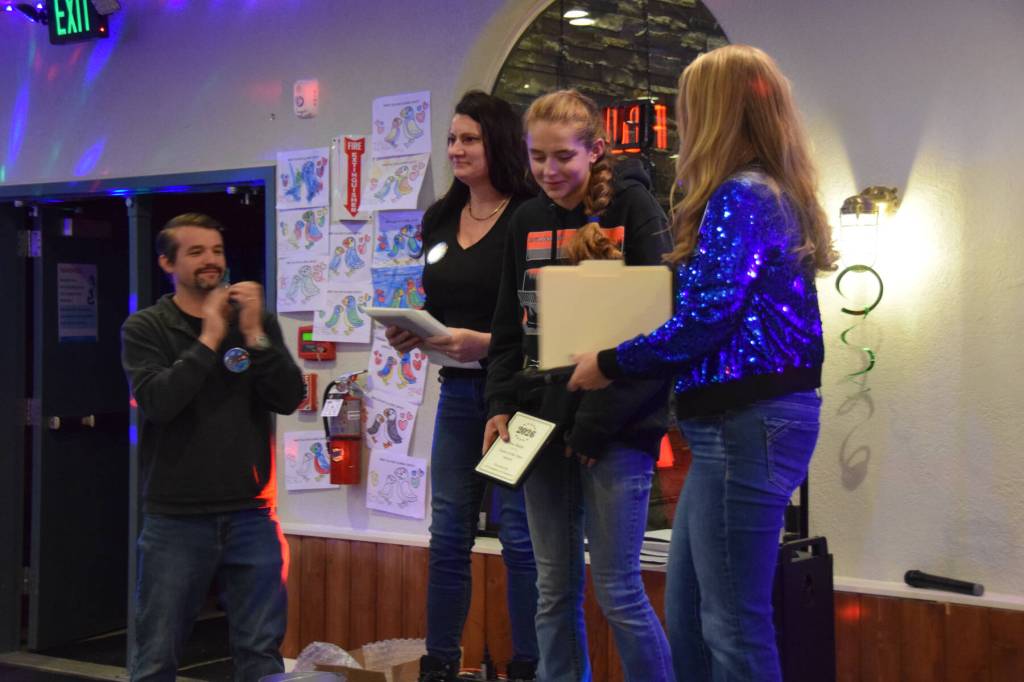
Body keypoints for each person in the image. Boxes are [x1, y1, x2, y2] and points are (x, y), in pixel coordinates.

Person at [568, 45, 838, 682]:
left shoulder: (741, 194)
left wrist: (609, 361)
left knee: (732, 623)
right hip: (742, 425)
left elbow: (705, 319)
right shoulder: (766, 190)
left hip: (748, 423)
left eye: (688, 109)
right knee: (690, 614)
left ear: (716, 113)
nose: (681, 124)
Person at [483, 89, 674, 682]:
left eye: (562, 156)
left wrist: (596, 423)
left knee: (618, 591)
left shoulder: (633, 210)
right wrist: (498, 405)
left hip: (616, 430)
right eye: (537, 157)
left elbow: (659, 336)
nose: (548, 171)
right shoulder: (526, 219)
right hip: (540, 424)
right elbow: (507, 330)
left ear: (595, 150)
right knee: (553, 589)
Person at [384, 91, 539, 682]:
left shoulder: (529, 214)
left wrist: (487, 342)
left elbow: (541, 317)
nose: (456, 149)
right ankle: (441, 664)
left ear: (497, 142)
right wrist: (413, 331)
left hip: (520, 400)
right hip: (457, 395)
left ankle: (530, 665)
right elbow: (438, 303)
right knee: (448, 534)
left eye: (468, 139)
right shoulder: (440, 218)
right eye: (451, 139)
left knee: (521, 539)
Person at [121, 213, 304, 682]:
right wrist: (208, 339)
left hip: (251, 515)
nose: (211, 261)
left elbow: (288, 397)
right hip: (176, 518)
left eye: (217, 251)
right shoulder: (146, 328)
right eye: (196, 252)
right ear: (167, 261)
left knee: (261, 653)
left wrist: (255, 336)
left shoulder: (254, 322)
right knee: (156, 653)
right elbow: (159, 403)